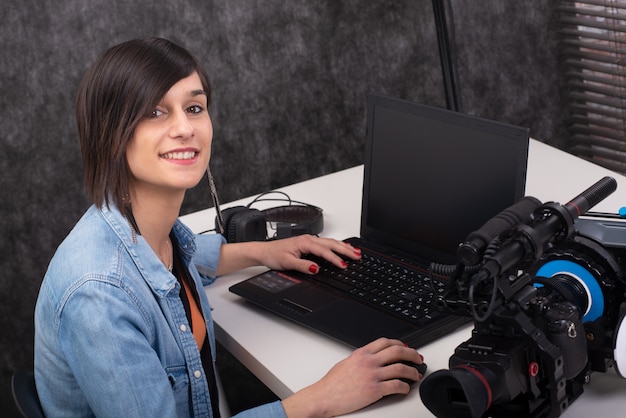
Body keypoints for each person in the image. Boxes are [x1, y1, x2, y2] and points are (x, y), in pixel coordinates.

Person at [34, 37, 424, 418]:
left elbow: (185, 258)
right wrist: (319, 399)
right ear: (111, 134)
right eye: (155, 112)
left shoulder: (146, 228)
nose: (185, 128)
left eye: (194, 107)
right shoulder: (100, 297)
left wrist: (264, 252)